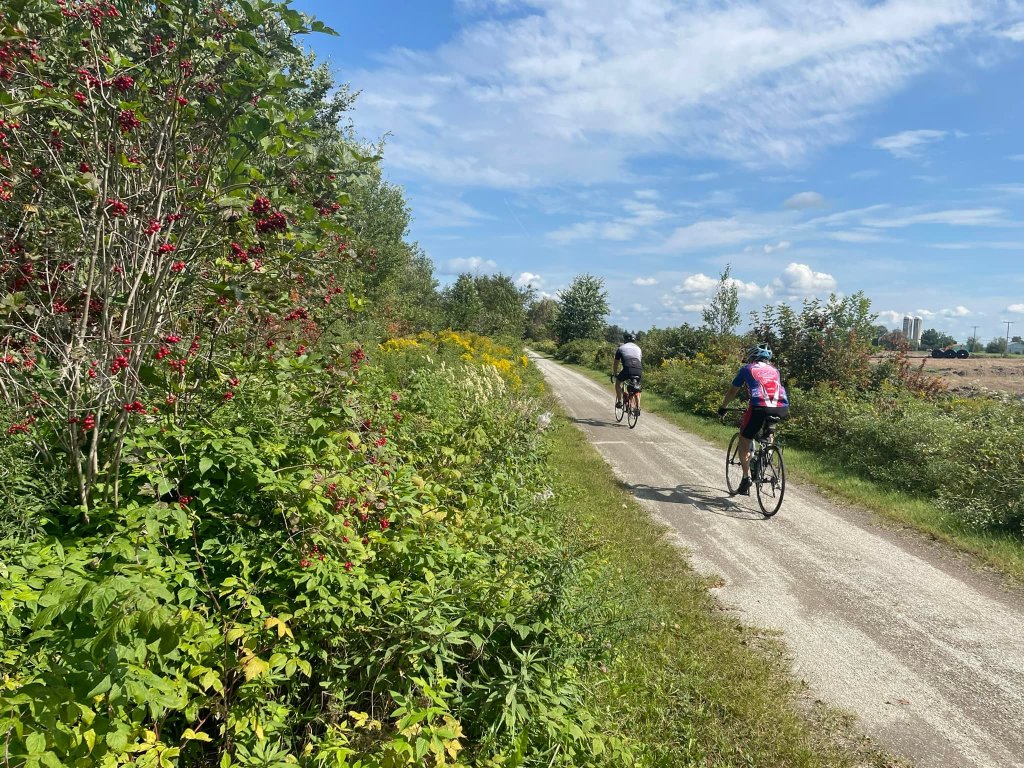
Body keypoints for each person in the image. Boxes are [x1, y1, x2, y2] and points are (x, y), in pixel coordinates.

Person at [718, 344, 789, 496]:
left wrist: (723, 407)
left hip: (758, 406)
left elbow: (732, 391)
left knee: (744, 438)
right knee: (769, 431)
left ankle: (746, 478)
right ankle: (766, 456)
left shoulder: (747, 369)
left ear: (752, 357)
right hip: (781, 407)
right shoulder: (775, 370)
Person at [613, 332, 643, 413]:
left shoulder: (621, 348)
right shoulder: (638, 348)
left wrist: (615, 373)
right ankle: (637, 407)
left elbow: (616, 362)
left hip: (627, 369)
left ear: (625, 340)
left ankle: (619, 402)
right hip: (639, 369)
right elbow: (639, 360)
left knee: (618, 382)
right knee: (637, 387)